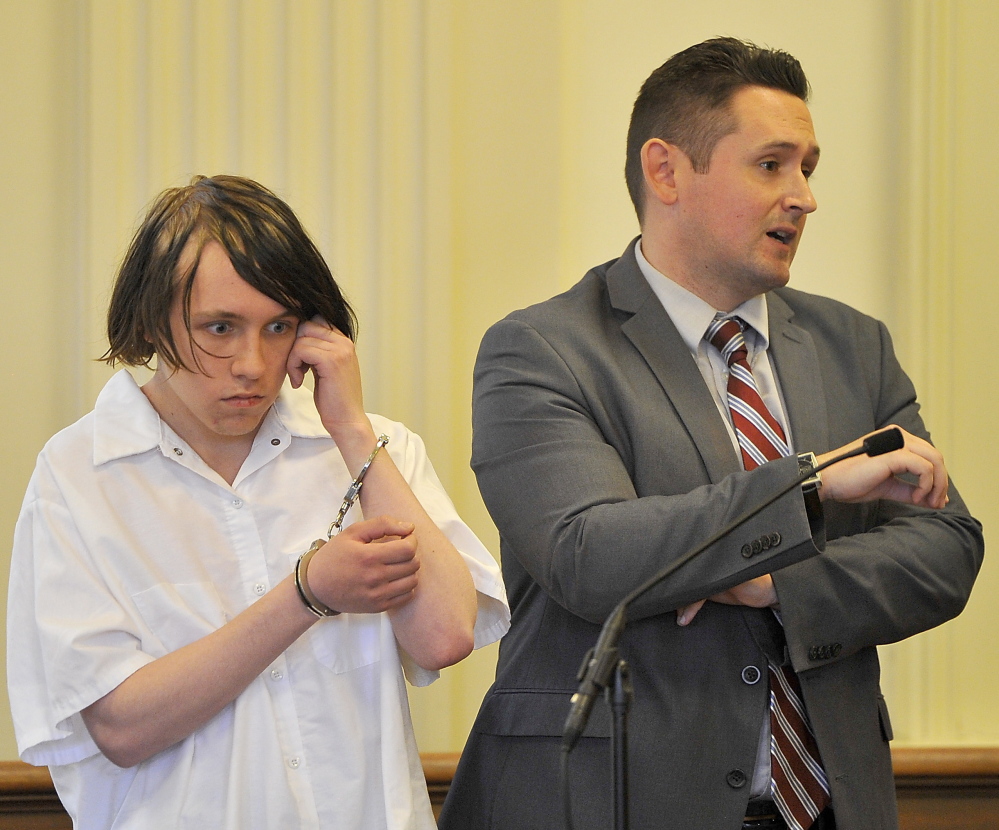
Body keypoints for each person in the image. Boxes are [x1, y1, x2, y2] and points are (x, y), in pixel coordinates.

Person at [439, 37, 983, 830]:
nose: (803, 196)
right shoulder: (544, 349)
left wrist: (768, 582)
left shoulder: (852, 346)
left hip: (830, 805)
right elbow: (590, 554)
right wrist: (808, 486)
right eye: (771, 165)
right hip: (617, 802)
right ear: (666, 172)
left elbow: (943, 550)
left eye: (808, 167)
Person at [7, 174, 510, 830]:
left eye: (278, 326)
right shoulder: (79, 474)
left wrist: (352, 430)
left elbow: (445, 636)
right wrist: (304, 594)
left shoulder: (371, 448)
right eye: (220, 328)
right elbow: (121, 726)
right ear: (153, 322)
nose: (251, 362)